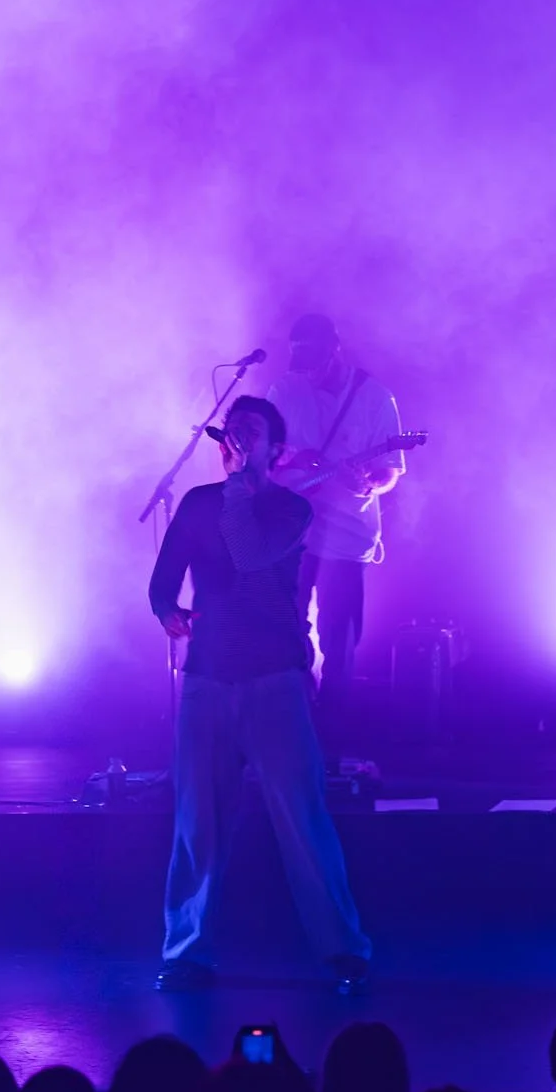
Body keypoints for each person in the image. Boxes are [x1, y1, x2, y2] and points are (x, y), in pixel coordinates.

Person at [148, 394, 371, 995]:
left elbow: (247, 552)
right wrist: (168, 611)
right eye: (233, 434)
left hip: (275, 680)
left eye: (251, 433)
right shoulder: (196, 504)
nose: (237, 442)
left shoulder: (291, 509)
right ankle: (187, 952)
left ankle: (343, 951)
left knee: (302, 819)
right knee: (199, 824)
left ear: (276, 449)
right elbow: (162, 580)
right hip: (207, 682)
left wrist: (244, 487)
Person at [266, 313, 407, 735]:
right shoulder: (284, 391)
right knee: (288, 624)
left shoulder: (375, 398)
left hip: (347, 534)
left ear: (334, 350)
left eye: (314, 360)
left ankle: (333, 728)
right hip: (293, 529)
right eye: (300, 361)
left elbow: (390, 468)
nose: (307, 371)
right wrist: (295, 456)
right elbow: (265, 447)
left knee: (339, 635)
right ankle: (298, 708)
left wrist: (368, 483)